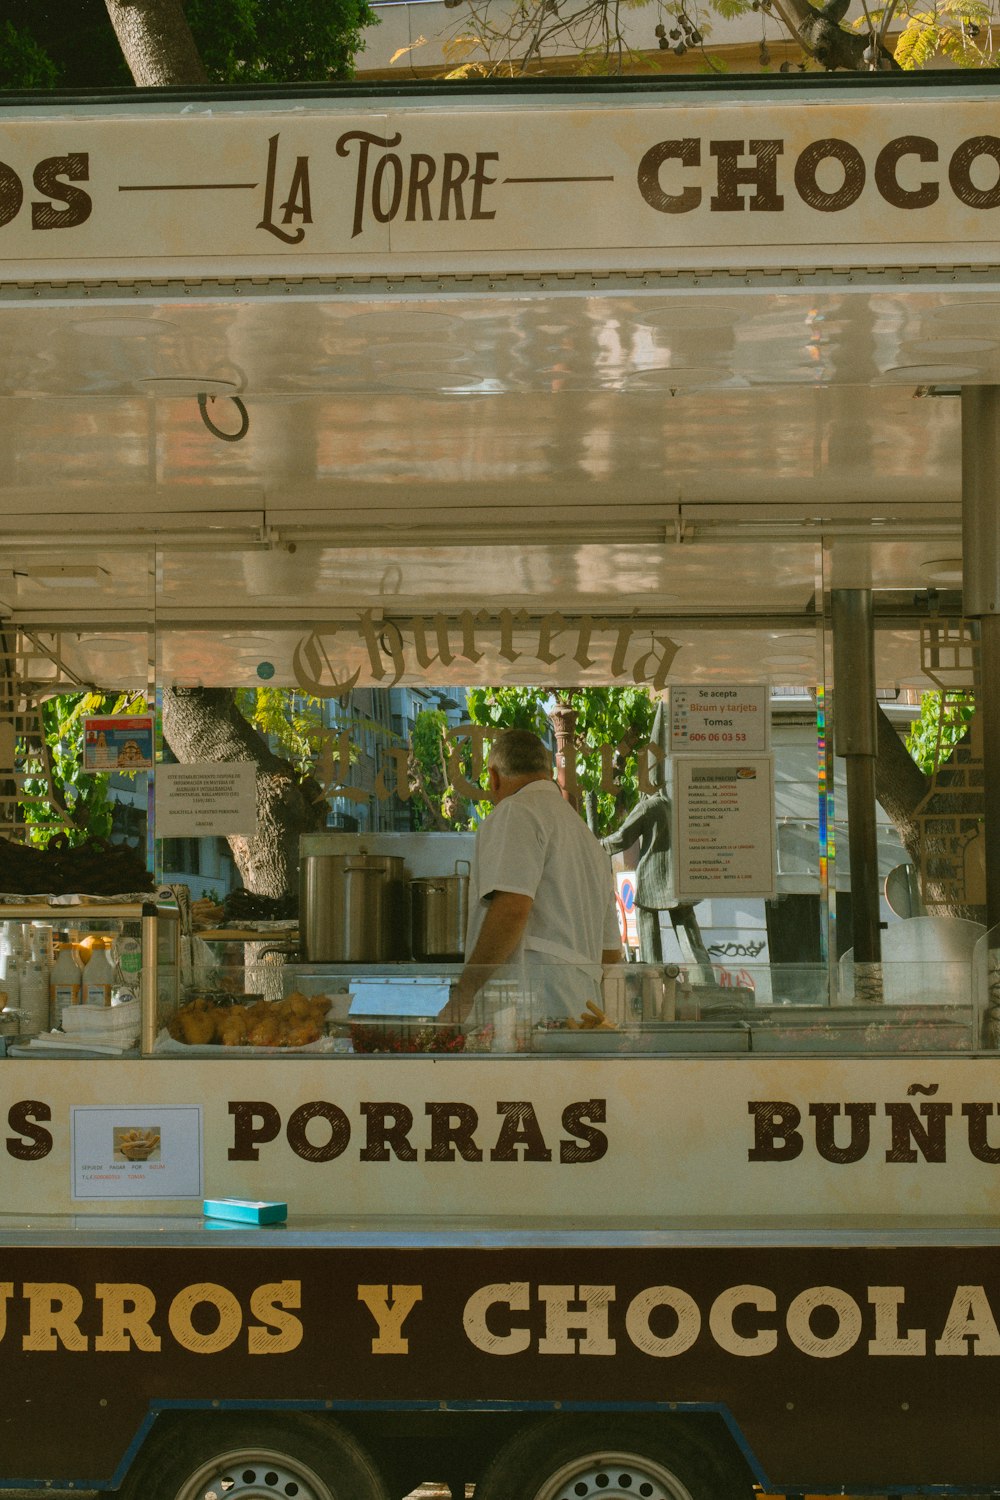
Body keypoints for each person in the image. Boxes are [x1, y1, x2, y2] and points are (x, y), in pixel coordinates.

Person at [442, 728, 622, 1029]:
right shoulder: (587, 839)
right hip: (582, 1013)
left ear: (494, 777)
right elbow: (610, 953)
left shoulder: (516, 811)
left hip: (530, 1008)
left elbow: (512, 909)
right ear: (548, 772)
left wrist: (465, 993)